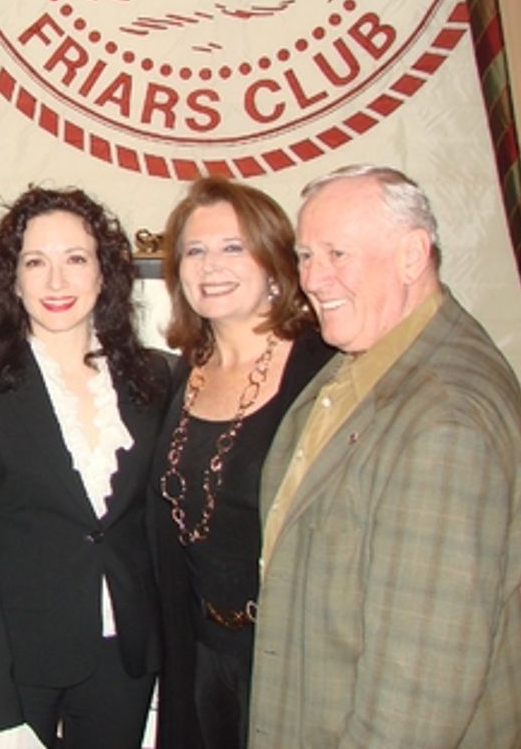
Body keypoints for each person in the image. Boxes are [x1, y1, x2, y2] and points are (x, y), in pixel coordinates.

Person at [249, 164, 521, 746]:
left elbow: (419, 693)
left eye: (337, 254)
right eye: (306, 256)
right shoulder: (371, 357)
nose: (315, 278)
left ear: (412, 256)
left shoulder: (443, 420)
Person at [0, 186, 170, 748]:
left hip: (128, 654)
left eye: (75, 260)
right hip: (23, 661)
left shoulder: (155, 380)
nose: (57, 282)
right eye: (35, 263)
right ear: (12, 281)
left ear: (104, 272)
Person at [150, 177, 334, 749]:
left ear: (275, 264)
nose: (211, 265)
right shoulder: (177, 377)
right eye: (195, 250)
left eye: (233, 247)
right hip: (196, 651)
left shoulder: (326, 368)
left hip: (293, 655)